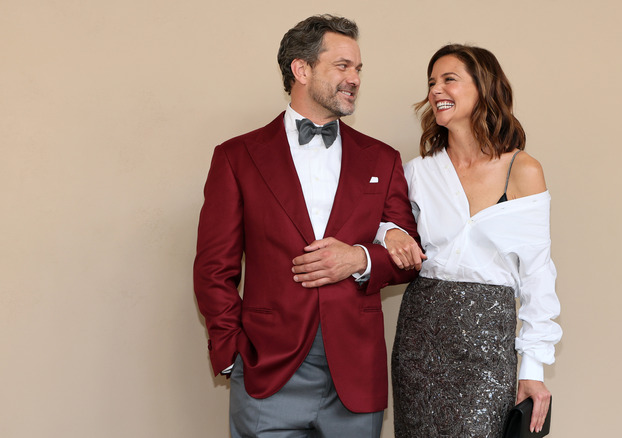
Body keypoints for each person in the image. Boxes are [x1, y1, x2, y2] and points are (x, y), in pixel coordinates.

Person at [193, 15, 418, 438]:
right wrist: (230, 353)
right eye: (342, 66)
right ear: (302, 69)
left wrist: (360, 258)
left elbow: (409, 257)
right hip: (267, 372)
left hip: (355, 374)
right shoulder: (236, 157)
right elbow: (213, 268)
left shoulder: (382, 159)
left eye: (358, 69)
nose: (354, 78)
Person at [383, 44, 562, 437]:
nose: (435, 90)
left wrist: (532, 369)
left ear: (484, 88)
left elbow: (536, 274)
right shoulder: (418, 171)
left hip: (487, 338)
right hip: (420, 334)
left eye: (449, 79)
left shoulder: (523, 168)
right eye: (431, 82)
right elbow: (382, 225)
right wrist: (390, 231)